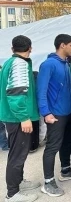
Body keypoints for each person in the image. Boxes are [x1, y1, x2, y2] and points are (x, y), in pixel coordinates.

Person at [37, 34, 71, 197]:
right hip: (55, 113)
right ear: (62, 45)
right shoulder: (49, 64)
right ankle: (48, 182)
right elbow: (40, 91)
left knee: (67, 142)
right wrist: (46, 113)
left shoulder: (66, 64)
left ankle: (65, 170)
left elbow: (68, 88)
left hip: (68, 111)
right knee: (52, 147)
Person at [0, 35, 40, 202]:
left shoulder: (10, 62)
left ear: (12, 49)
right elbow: (15, 94)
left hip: (12, 116)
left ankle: (19, 181)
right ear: (30, 48)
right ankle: (12, 193)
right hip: (17, 117)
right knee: (18, 154)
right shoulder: (20, 64)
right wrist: (24, 117)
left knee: (18, 152)